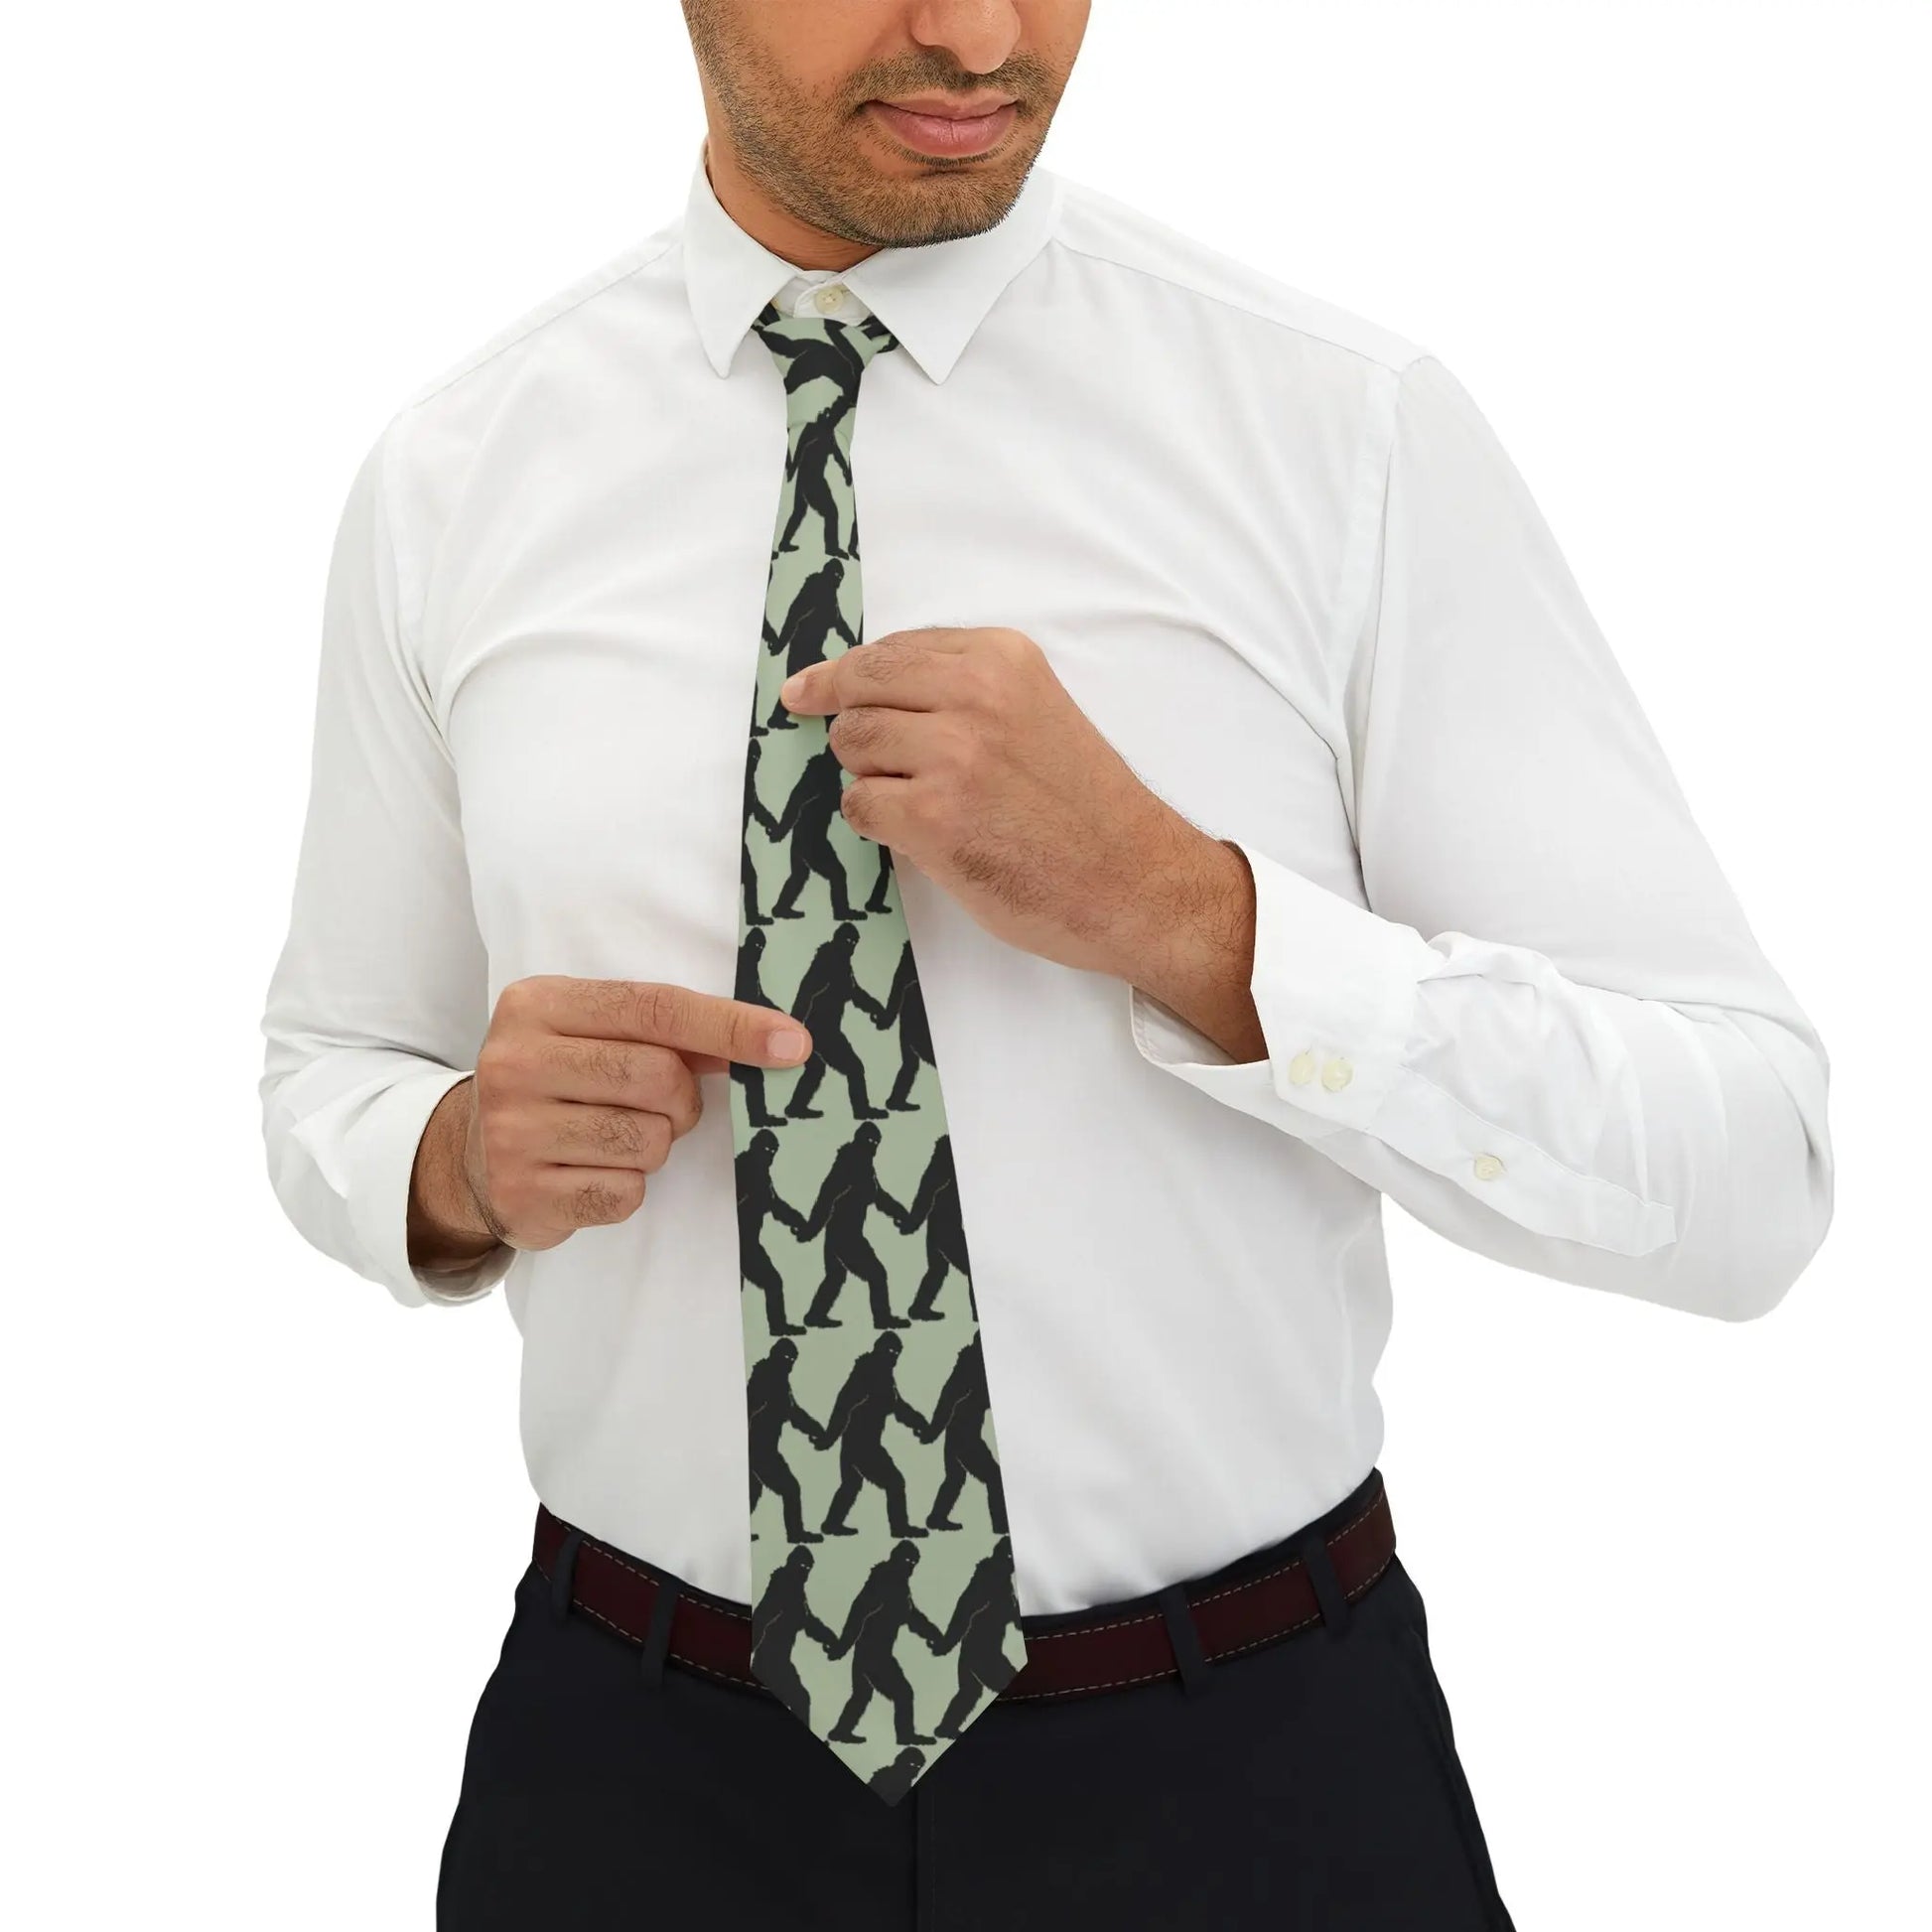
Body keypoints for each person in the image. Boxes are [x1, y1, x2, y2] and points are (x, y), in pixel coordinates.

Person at [256, 2, 1834, 1924]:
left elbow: (1748, 1167)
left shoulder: (1336, 429)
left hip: (1247, 1777)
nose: (979, 32)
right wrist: (451, 1163)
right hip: (635, 1779)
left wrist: (1188, 911)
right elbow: (335, 1053)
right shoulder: (454, 476)